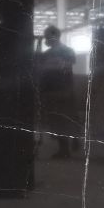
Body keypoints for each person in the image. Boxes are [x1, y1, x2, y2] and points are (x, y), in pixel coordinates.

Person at [37, 25, 78, 159]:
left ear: (54, 36)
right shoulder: (47, 54)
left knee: (60, 120)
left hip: (62, 90)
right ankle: (69, 143)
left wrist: (47, 65)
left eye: (47, 36)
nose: (45, 39)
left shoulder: (66, 51)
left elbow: (65, 66)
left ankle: (65, 149)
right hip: (53, 90)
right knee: (58, 120)